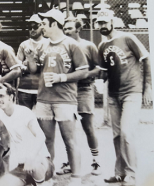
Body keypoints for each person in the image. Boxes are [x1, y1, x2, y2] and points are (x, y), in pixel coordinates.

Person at [26, 9, 89, 185]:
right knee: (46, 140)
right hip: (44, 98)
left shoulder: (71, 44)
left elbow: (84, 71)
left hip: (65, 99)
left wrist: (62, 77)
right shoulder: (42, 45)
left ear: (54, 24)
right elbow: (34, 70)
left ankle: (76, 177)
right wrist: (31, 58)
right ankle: (48, 175)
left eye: (44, 24)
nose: (41, 27)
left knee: (70, 140)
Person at [96, 9, 152, 186]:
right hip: (113, 94)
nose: (102, 26)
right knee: (117, 135)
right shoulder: (101, 46)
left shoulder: (128, 38)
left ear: (112, 22)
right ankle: (119, 173)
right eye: (100, 23)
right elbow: (104, 73)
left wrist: (148, 87)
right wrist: (96, 80)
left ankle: (132, 175)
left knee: (127, 133)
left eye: (105, 22)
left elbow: (146, 59)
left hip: (131, 92)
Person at [0, 77, 54, 186]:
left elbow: (41, 136)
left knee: (35, 164)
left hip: (41, 162)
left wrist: (31, 156)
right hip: (22, 167)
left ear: (11, 97)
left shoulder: (24, 112)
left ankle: (44, 183)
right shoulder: (1, 113)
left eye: (2, 96)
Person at [56, 17, 101, 176]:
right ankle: (70, 162)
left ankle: (96, 161)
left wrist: (83, 74)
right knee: (69, 131)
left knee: (88, 127)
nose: (66, 31)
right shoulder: (62, 47)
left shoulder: (88, 46)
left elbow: (99, 69)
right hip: (67, 90)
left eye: (69, 28)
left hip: (84, 89)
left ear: (77, 29)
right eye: (64, 28)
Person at [17, 14, 48, 109]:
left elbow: (48, 66)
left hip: (43, 88)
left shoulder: (48, 43)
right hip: (24, 88)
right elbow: (17, 65)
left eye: (35, 26)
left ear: (41, 27)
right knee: (24, 119)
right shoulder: (24, 44)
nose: (32, 29)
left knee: (43, 121)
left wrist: (28, 64)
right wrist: (30, 66)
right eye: (30, 27)